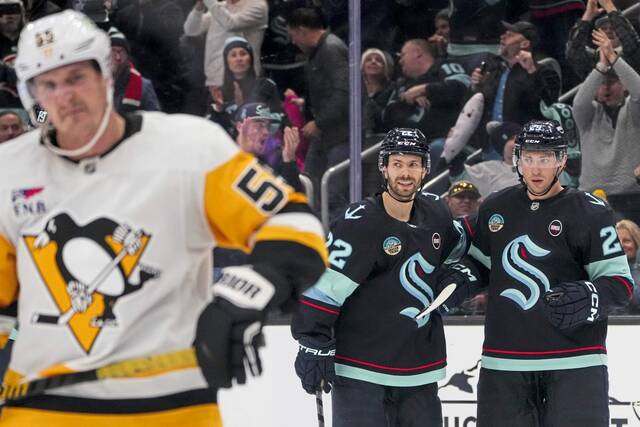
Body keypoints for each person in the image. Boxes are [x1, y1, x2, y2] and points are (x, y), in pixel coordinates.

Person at [0, 10, 327, 425]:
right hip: (42, 409)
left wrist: (242, 297)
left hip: (173, 406)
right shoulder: (8, 170)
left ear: (106, 76)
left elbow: (294, 224)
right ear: (32, 99)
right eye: (49, 85)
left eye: (76, 78)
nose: (65, 96)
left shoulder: (189, 148)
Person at [448, 120, 634, 426]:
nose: (536, 169)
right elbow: (480, 265)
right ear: (517, 160)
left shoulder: (590, 211)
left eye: (545, 159)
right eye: (529, 158)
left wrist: (590, 296)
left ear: (561, 160)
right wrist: (459, 280)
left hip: (576, 362)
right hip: (505, 363)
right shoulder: (497, 207)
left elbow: (620, 284)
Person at [291, 128, 477, 427]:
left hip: (419, 370)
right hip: (361, 373)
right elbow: (324, 287)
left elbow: (466, 245)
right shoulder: (359, 223)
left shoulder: (436, 213)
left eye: (413, 164)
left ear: (425, 169)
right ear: (384, 168)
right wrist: (311, 340)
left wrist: (462, 273)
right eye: (398, 164)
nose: (406, 173)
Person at [286, 6, 349, 216]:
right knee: (307, 183)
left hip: (342, 135)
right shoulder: (321, 51)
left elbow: (344, 92)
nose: (293, 42)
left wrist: (318, 122)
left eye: (293, 35)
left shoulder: (331, 49)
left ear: (303, 31)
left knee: (333, 195)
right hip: (327, 135)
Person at [573, 26, 640, 224]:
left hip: (631, 195)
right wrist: (601, 66)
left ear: (624, 85)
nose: (606, 87)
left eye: (612, 82)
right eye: (602, 83)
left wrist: (613, 57)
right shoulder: (587, 113)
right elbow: (579, 102)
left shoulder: (634, 111)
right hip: (591, 195)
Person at [107, 26, 161, 114]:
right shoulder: (96, 83)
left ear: (128, 56)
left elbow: (155, 120)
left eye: (121, 52)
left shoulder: (144, 86)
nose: (117, 57)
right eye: (113, 51)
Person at [616, 219, 640, 313]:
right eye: (617, 241)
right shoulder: (607, 270)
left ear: (637, 242)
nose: (621, 245)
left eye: (626, 241)